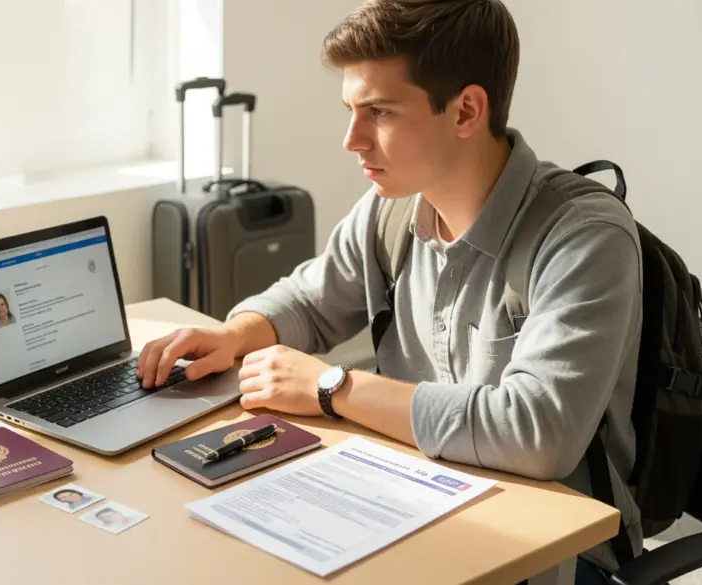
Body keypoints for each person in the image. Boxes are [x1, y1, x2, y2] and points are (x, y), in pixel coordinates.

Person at [136, 1, 642, 583]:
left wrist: (333, 388)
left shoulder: (583, 236)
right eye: (351, 111)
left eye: (378, 112)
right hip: (410, 508)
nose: (352, 140)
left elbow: (537, 433)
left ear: (466, 111)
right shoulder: (391, 210)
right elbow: (309, 302)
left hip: (552, 557)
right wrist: (234, 335)